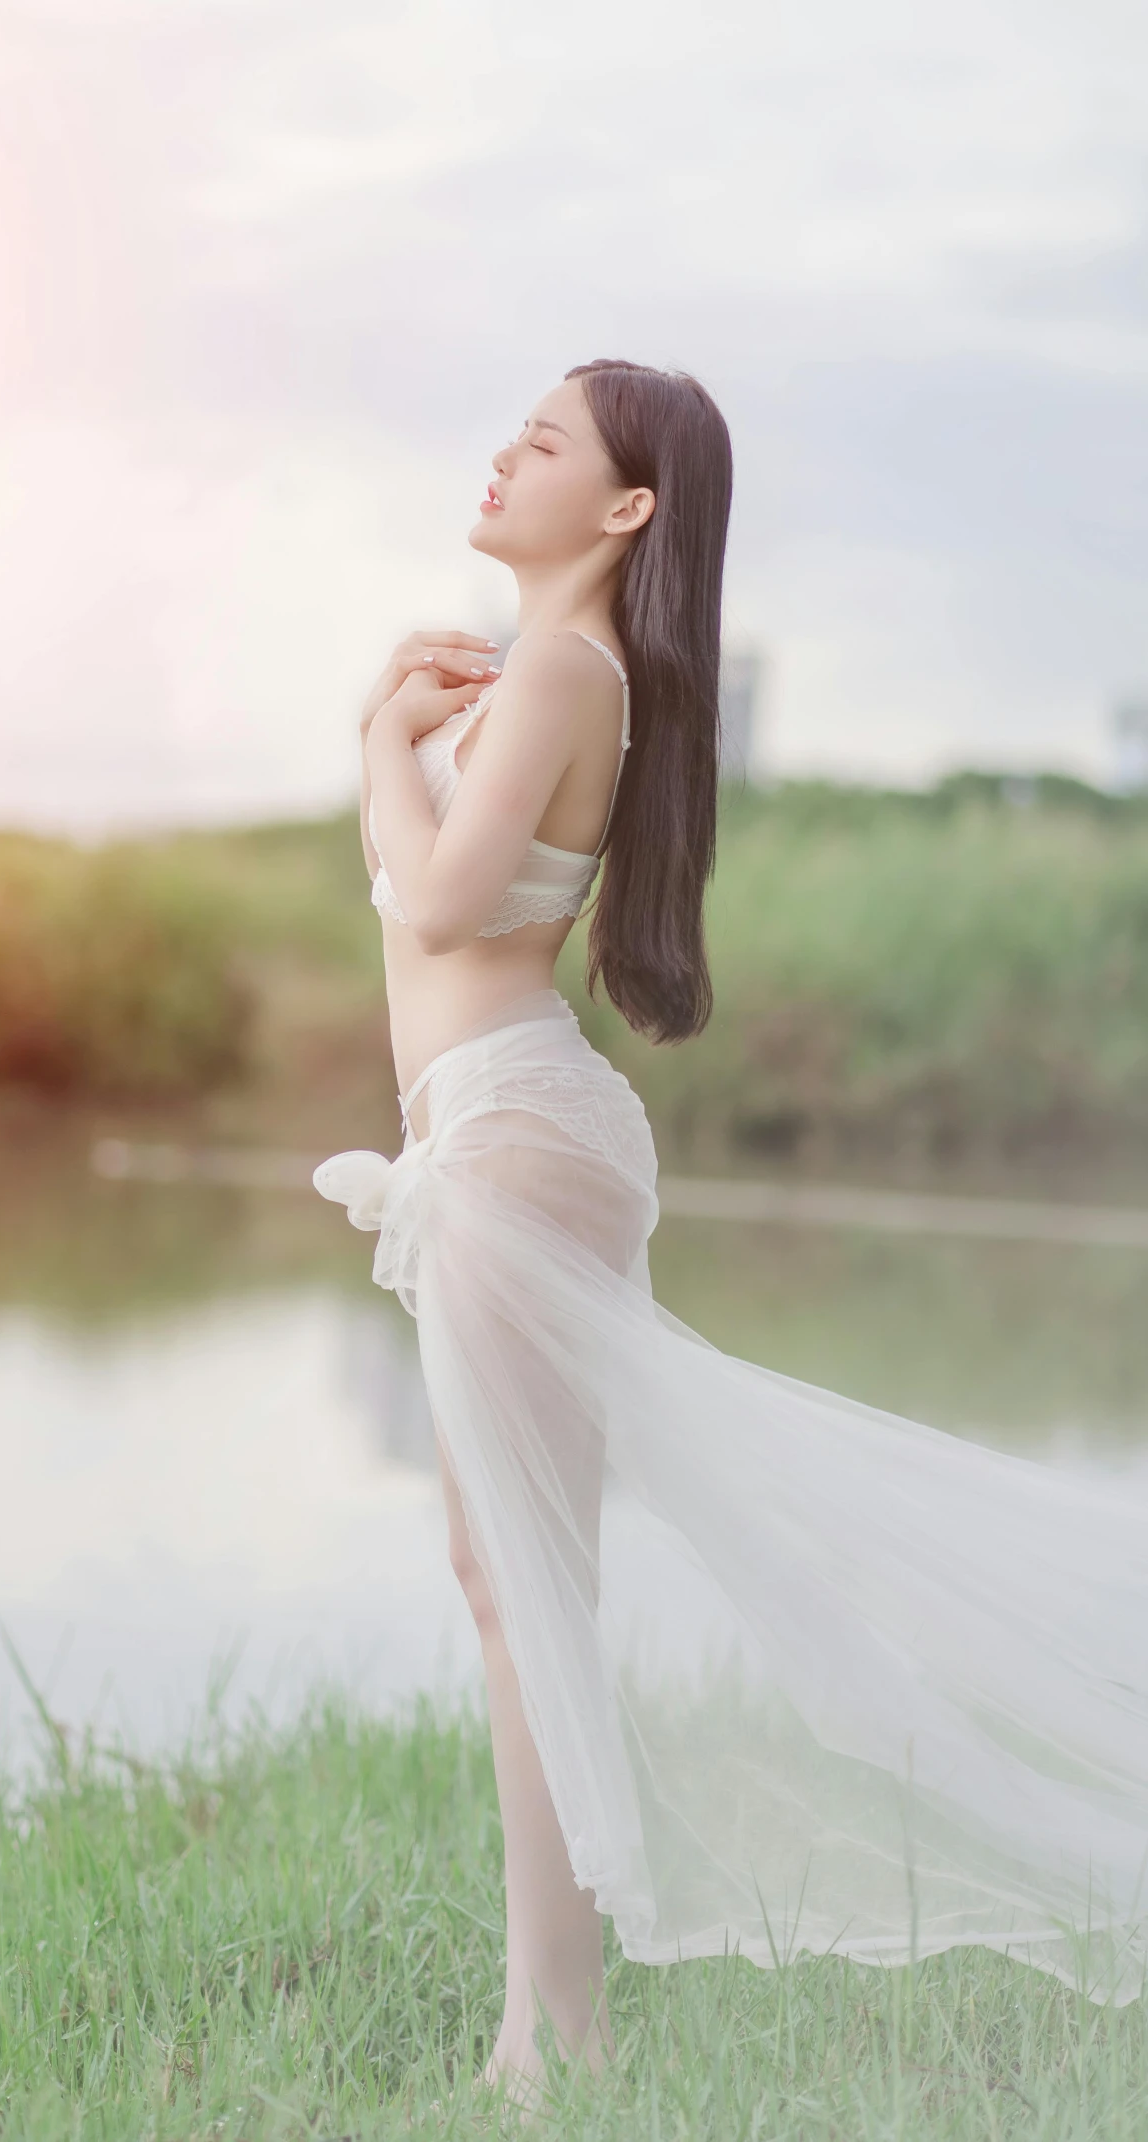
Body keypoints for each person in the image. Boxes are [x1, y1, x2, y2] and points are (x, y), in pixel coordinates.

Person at [314, 358, 1148, 2106]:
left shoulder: (557, 662)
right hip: (511, 1125)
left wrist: (373, 744)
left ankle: (555, 2027)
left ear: (621, 509)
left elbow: (444, 900)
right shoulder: (571, 669)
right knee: (507, 1580)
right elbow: (450, 904)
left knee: (524, 1589)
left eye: (540, 441)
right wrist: (402, 749)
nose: (500, 448)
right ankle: (549, 2013)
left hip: (513, 1128)